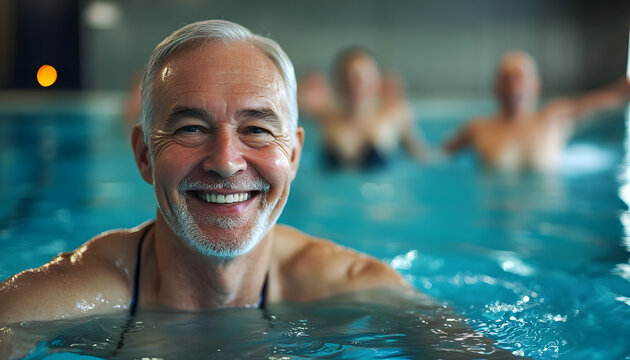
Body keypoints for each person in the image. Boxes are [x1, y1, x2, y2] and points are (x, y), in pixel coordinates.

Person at [0, 20, 410, 326]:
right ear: (144, 154)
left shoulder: (358, 290)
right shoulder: (56, 302)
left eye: (257, 129)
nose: (226, 161)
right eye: (191, 129)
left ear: (295, 155)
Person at [444, 50, 630, 172]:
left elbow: (615, 97)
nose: (513, 87)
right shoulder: (477, 128)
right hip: (493, 219)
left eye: (520, 78)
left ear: (536, 85)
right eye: (506, 80)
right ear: (495, 87)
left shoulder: (555, 118)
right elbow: (435, 159)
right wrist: (412, 135)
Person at [298, 48, 426, 169]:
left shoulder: (395, 115)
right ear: (338, 83)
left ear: (376, 81)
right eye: (348, 80)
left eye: (361, 79)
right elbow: (290, 109)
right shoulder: (325, 116)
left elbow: (421, 155)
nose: (355, 86)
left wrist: (444, 152)